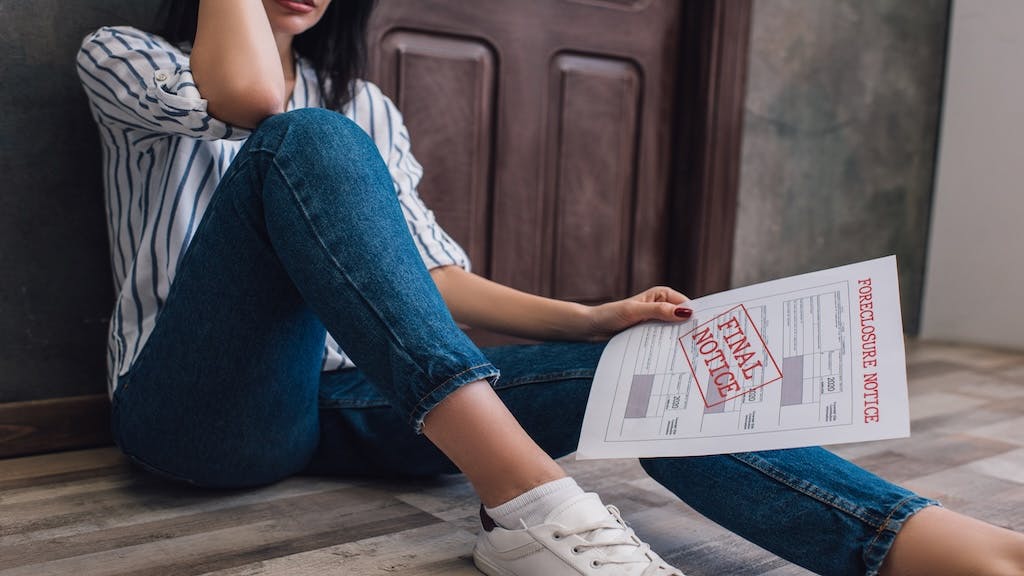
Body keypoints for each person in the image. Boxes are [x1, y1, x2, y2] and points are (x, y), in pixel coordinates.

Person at [76, 1, 1024, 574]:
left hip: (358, 397)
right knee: (306, 140)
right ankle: (531, 505)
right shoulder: (124, 54)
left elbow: (431, 275)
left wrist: (588, 318)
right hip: (201, 412)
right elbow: (250, 99)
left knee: (642, 365)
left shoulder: (362, 100)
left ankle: (927, 544)